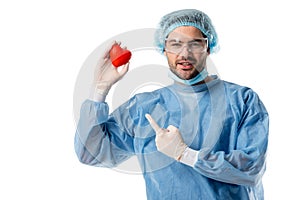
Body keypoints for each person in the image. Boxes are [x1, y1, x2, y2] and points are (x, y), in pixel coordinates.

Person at [74, 9, 269, 200]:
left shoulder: (242, 100)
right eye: (175, 44)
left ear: (208, 48)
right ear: (163, 49)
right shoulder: (144, 107)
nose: (185, 53)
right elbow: (90, 154)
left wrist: (185, 154)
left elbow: (251, 168)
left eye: (194, 44)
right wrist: (99, 90)